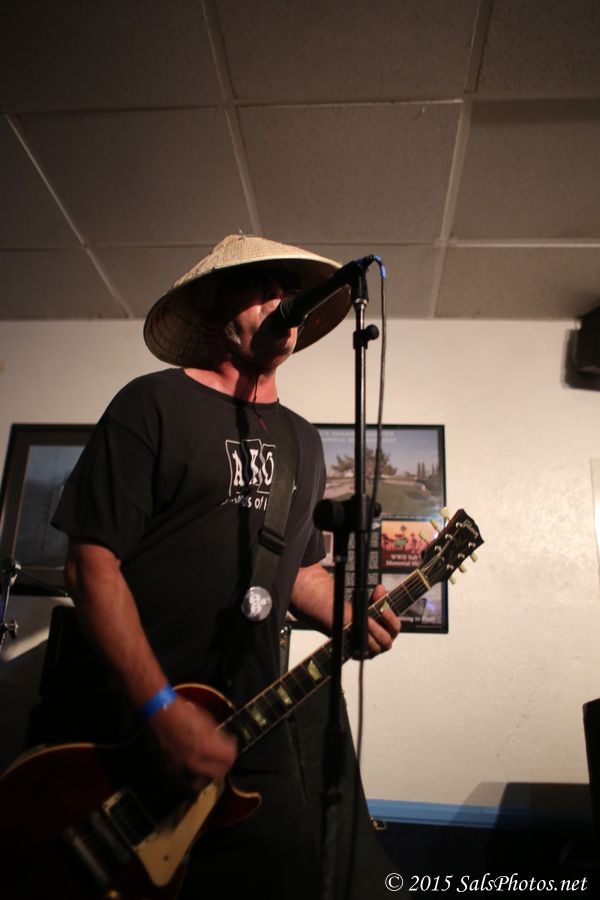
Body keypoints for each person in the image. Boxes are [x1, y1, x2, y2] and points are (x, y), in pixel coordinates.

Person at [43, 234, 401, 899]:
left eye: (287, 291)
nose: (280, 302)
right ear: (215, 310)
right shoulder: (151, 404)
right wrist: (160, 706)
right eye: (260, 288)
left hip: (251, 726)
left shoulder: (303, 441)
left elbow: (299, 573)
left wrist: (354, 615)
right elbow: (90, 566)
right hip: (134, 727)